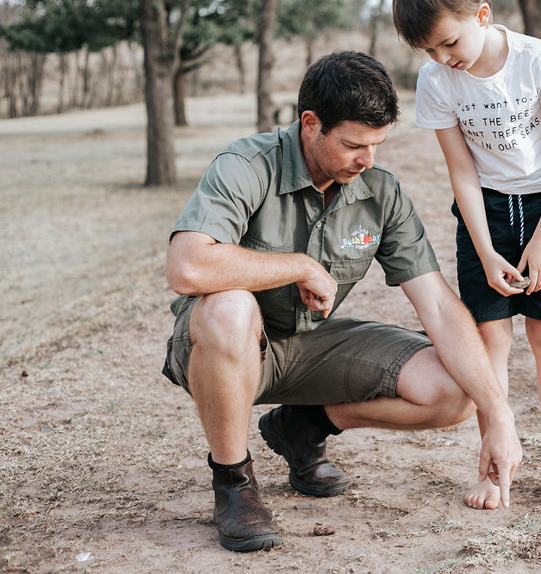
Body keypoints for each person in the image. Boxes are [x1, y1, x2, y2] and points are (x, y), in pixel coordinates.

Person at [162, 51, 522, 552]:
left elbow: (437, 306)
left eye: (377, 144)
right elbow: (187, 266)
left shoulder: (380, 191)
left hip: (307, 346)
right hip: (220, 347)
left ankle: (302, 425)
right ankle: (234, 482)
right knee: (231, 308)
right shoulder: (246, 165)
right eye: (354, 144)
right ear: (311, 124)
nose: (368, 159)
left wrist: (497, 414)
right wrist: (300, 265)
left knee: (455, 389)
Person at [392, 0, 541, 510]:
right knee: (490, 337)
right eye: (428, 51)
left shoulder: (537, 59)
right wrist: (485, 246)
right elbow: (462, 172)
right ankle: (495, 459)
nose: (441, 58)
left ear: (481, 14)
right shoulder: (436, 81)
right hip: (486, 212)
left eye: (448, 43)